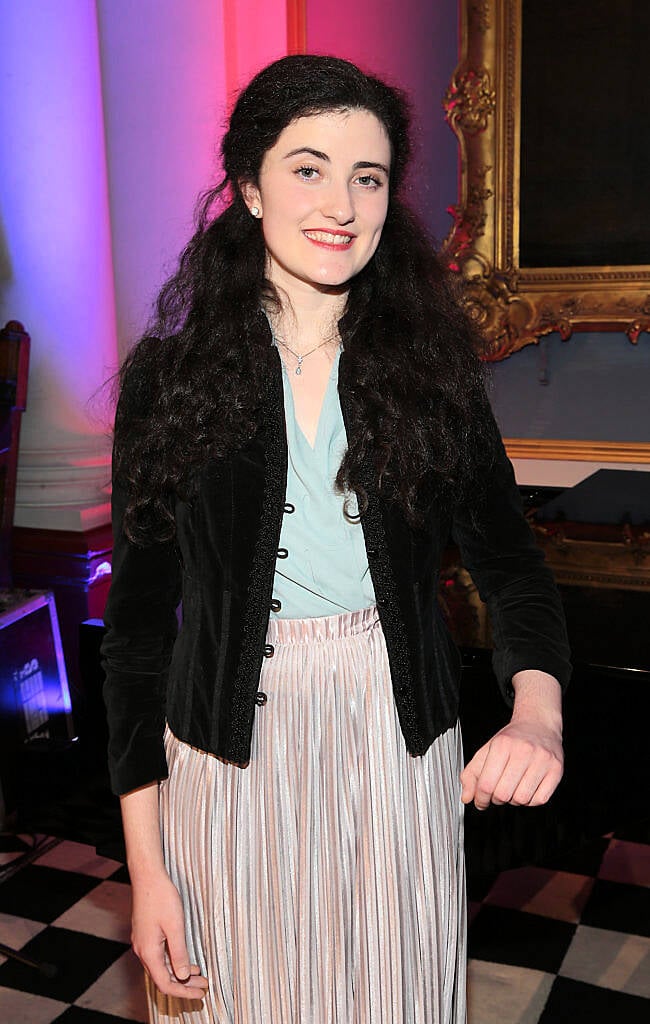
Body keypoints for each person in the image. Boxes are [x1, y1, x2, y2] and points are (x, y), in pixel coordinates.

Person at [102, 54, 571, 1024]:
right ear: (247, 186)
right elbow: (137, 642)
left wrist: (536, 713)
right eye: (307, 167)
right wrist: (147, 872)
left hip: (395, 751)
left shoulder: (430, 369)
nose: (341, 203)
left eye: (366, 176)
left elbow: (513, 568)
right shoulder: (170, 380)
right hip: (226, 763)